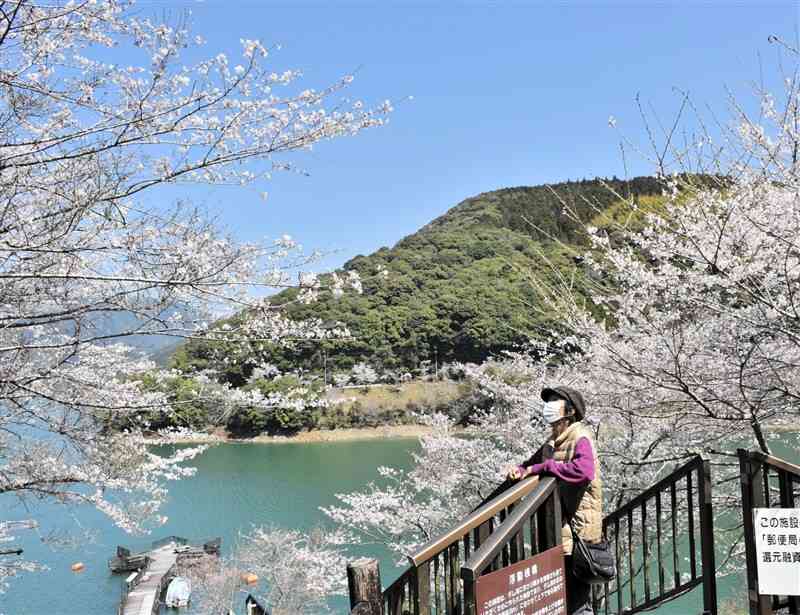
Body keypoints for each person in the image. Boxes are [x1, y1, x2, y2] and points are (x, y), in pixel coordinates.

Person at [508, 386, 602, 615]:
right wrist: (520, 470)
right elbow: (533, 462)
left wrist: (548, 466)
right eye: (547, 401)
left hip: (578, 530)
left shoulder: (580, 437)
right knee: (561, 595)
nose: (548, 406)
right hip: (560, 529)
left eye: (554, 402)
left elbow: (584, 471)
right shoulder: (553, 441)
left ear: (570, 410)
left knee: (578, 598)